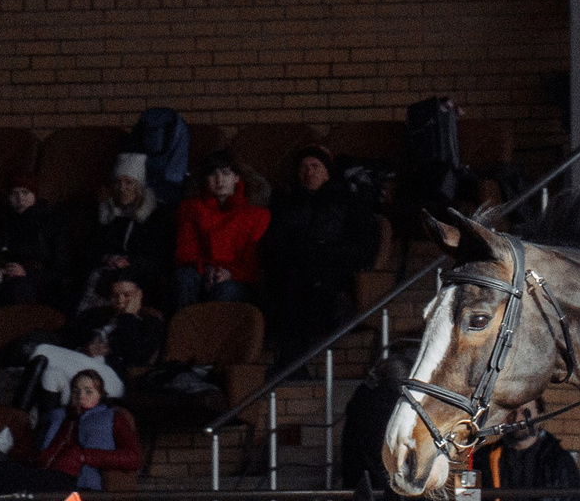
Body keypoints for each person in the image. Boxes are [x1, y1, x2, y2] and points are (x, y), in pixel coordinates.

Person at [261, 142, 384, 363]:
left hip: (333, 273)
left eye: (315, 166)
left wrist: (328, 255)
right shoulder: (288, 203)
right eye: (304, 167)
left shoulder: (347, 201)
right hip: (293, 271)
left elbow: (363, 244)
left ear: (328, 171)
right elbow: (275, 242)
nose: (309, 171)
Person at [0, 370, 144, 494]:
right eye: (76, 390)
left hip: (75, 480)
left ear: (100, 394)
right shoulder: (57, 417)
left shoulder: (113, 417)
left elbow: (133, 458)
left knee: (2, 477)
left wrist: (84, 455)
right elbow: (32, 448)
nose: (81, 396)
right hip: (43, 472)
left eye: (88, 391)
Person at [172, 151, 270, 310]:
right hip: (201, 270)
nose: (219, 180)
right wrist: (207, 269)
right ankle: (184, 330)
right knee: (184, 279)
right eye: (212, 174)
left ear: (236, 177)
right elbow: (185, 250)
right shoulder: (191, 208)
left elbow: (253, 261)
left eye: (225, 173)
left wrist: (230, 274)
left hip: (237, 278)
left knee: (225, 291)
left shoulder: (256, 214)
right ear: (205, 179)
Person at [78, 152, 175, 305]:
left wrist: (129, 262)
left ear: (139, 187)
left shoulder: (155, 216)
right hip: (106, 267)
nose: (122, 188)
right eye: (118, 183)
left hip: (137, 271)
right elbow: (92, 248)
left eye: (129, 183)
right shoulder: (108, 212)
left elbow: (157, 256)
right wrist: (108, 258)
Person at [0, 175, 64, 310]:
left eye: (25, 193)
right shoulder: (1, 222)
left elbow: (59, 268)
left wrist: (26, 272)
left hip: (34, 280)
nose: (20, 199)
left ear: (34, 196)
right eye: (14, 194)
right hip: (3, 275)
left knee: (18, 290)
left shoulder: (49, 223)